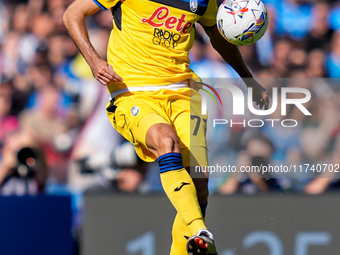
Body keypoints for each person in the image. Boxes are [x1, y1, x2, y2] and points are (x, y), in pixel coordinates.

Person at [63, 0, 269, 254]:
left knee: (199, 186)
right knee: (164, 141)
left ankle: (190, 239)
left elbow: (218, 36)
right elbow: (73, 13)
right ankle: (198, 230)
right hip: (132, 91)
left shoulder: (205, 2)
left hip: (184, 93)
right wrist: (95, 61)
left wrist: (249, 81)